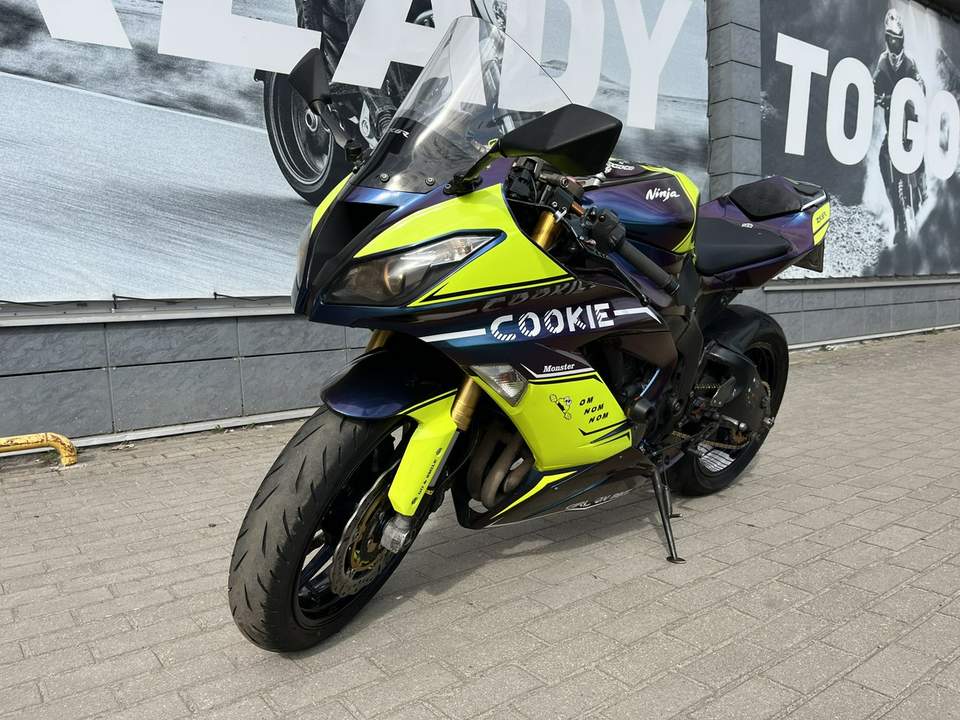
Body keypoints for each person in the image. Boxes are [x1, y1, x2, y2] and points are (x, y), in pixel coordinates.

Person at [874, 8, 927, 235]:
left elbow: (921, 84)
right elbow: (874, 85)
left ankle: (924, 193)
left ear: (902, 39)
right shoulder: (883, 61)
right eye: (891, 39)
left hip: (910, 121)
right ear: (887, 39)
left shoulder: (910, 62)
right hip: (893, 125)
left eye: (897, 39)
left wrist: (916, 92)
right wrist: (876, 97)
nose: (894, 43)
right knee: (883, 157)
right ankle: (897, 214)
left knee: (917, 153)